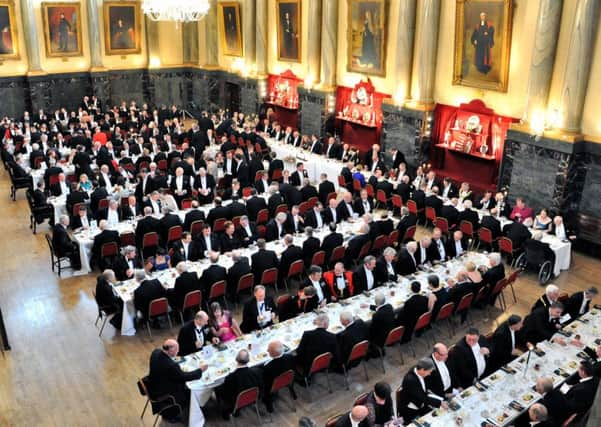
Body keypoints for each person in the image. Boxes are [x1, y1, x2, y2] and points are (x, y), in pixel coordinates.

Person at [147, 339, 205, 422]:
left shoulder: (156, 352)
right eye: (177, 350)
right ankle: (173, 414)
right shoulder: (171, 365)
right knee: (190, 391)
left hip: (153, 384)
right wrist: (200, 370)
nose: (178, 352)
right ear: (170, 350)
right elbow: (184, 377)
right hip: (162, 393)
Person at [215, 349, 263, 420]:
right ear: (248, 360)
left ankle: (226, 412)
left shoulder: (231, 377)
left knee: (217, 388)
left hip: (236, 401)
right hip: (253, 398)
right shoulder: (256, 372)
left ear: (236, 359)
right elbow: (261, 386)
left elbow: (226, 393)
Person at [398, 358, 443, 423]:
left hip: (421, 404)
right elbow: (423, 397)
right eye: (429, 371)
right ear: (422, 370)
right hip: (410, 410)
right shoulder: (410, 380)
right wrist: (440, 403)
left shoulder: (418, 369)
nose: (429, 374)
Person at [262, 340, 297, 413]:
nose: (267, 350)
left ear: (271, 354)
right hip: (289, 379)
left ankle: (268, 403)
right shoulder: (290, 357)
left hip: (273, 386)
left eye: (268, 350)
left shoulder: (268, 367)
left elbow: (266, 382)